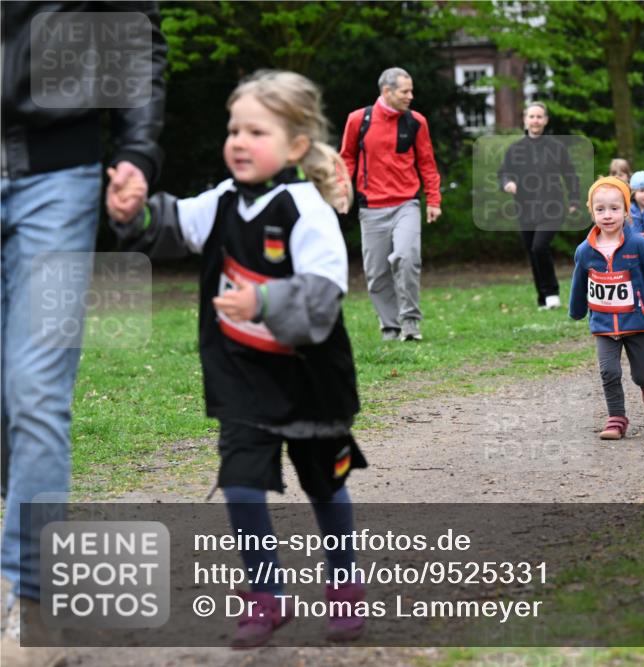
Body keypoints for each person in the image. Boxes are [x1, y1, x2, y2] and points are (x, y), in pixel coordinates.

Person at [110, 70, 367, 648]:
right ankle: (265, 596)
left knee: (326, 487)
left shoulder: (306, 208)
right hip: (243, 383)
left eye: (256, 130)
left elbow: (325, 296)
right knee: (243, 488)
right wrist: (135, 212)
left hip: (310, 384)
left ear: (296, 145)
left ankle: (345, 587)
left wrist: (265, 299)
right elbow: (172, 225)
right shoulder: (222, 201)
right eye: (234, 129)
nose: (238, 141)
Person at [0, 3, 166, 665]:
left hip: (59, 176)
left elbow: (135, 37)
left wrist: (138, 150)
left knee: (37, 386)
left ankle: (34, 603)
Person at [341, 67, 442, 342]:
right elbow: (346, 158)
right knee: (376, 273)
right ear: (387, 92)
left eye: (411, 90)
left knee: (407, 257)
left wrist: (433, 199)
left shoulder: (416, 122)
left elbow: (427, 164)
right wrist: (341, 191)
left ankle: (410, 321)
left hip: (406, 204)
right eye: (405, 91)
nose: (411, 95)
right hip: (370, 206)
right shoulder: (358, 120)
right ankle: (390, 326)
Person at [569, 177, 644, 440]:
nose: (607, 215)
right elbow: (580, 281)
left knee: (641, 373)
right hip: (602, 322)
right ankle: (616, 418)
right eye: (600, 209)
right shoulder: (584, 250)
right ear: (591, 211)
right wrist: (577, 309)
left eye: (614, 208)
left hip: (636, 320)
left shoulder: (640, 245)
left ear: (626, 210)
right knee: (608, 371)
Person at [499, 102, 580, 309]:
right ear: (525, 120)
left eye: (539, 117)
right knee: (532, 251)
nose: (535, 120)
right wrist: (507, 183)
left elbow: (570, 175)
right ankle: (542, 298)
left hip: (552, 207)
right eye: (532, 116)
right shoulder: (515, 149)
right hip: (526, 209)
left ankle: (552, 292)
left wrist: (574, 199)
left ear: (545, 120)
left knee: (540, 246)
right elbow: (503, 172)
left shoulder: (556, 147)